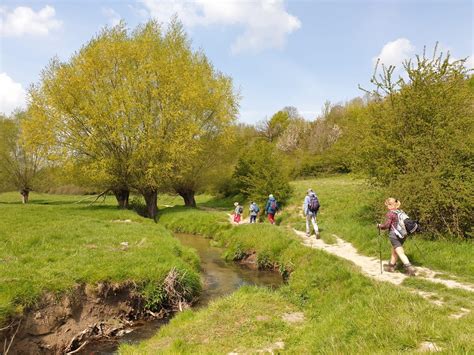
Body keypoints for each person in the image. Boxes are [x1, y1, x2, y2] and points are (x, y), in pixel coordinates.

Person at [377, 198, 416, 276]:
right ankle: (391, 266)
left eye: (387, 205)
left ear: (390, 205)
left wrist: (379, 226)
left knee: (400, 252)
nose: (387, 207)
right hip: (403, 235)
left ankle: (410, 268)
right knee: (394, 250)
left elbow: (386, 226)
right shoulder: (401, 212)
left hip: (394, 235)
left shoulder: (390, 213)